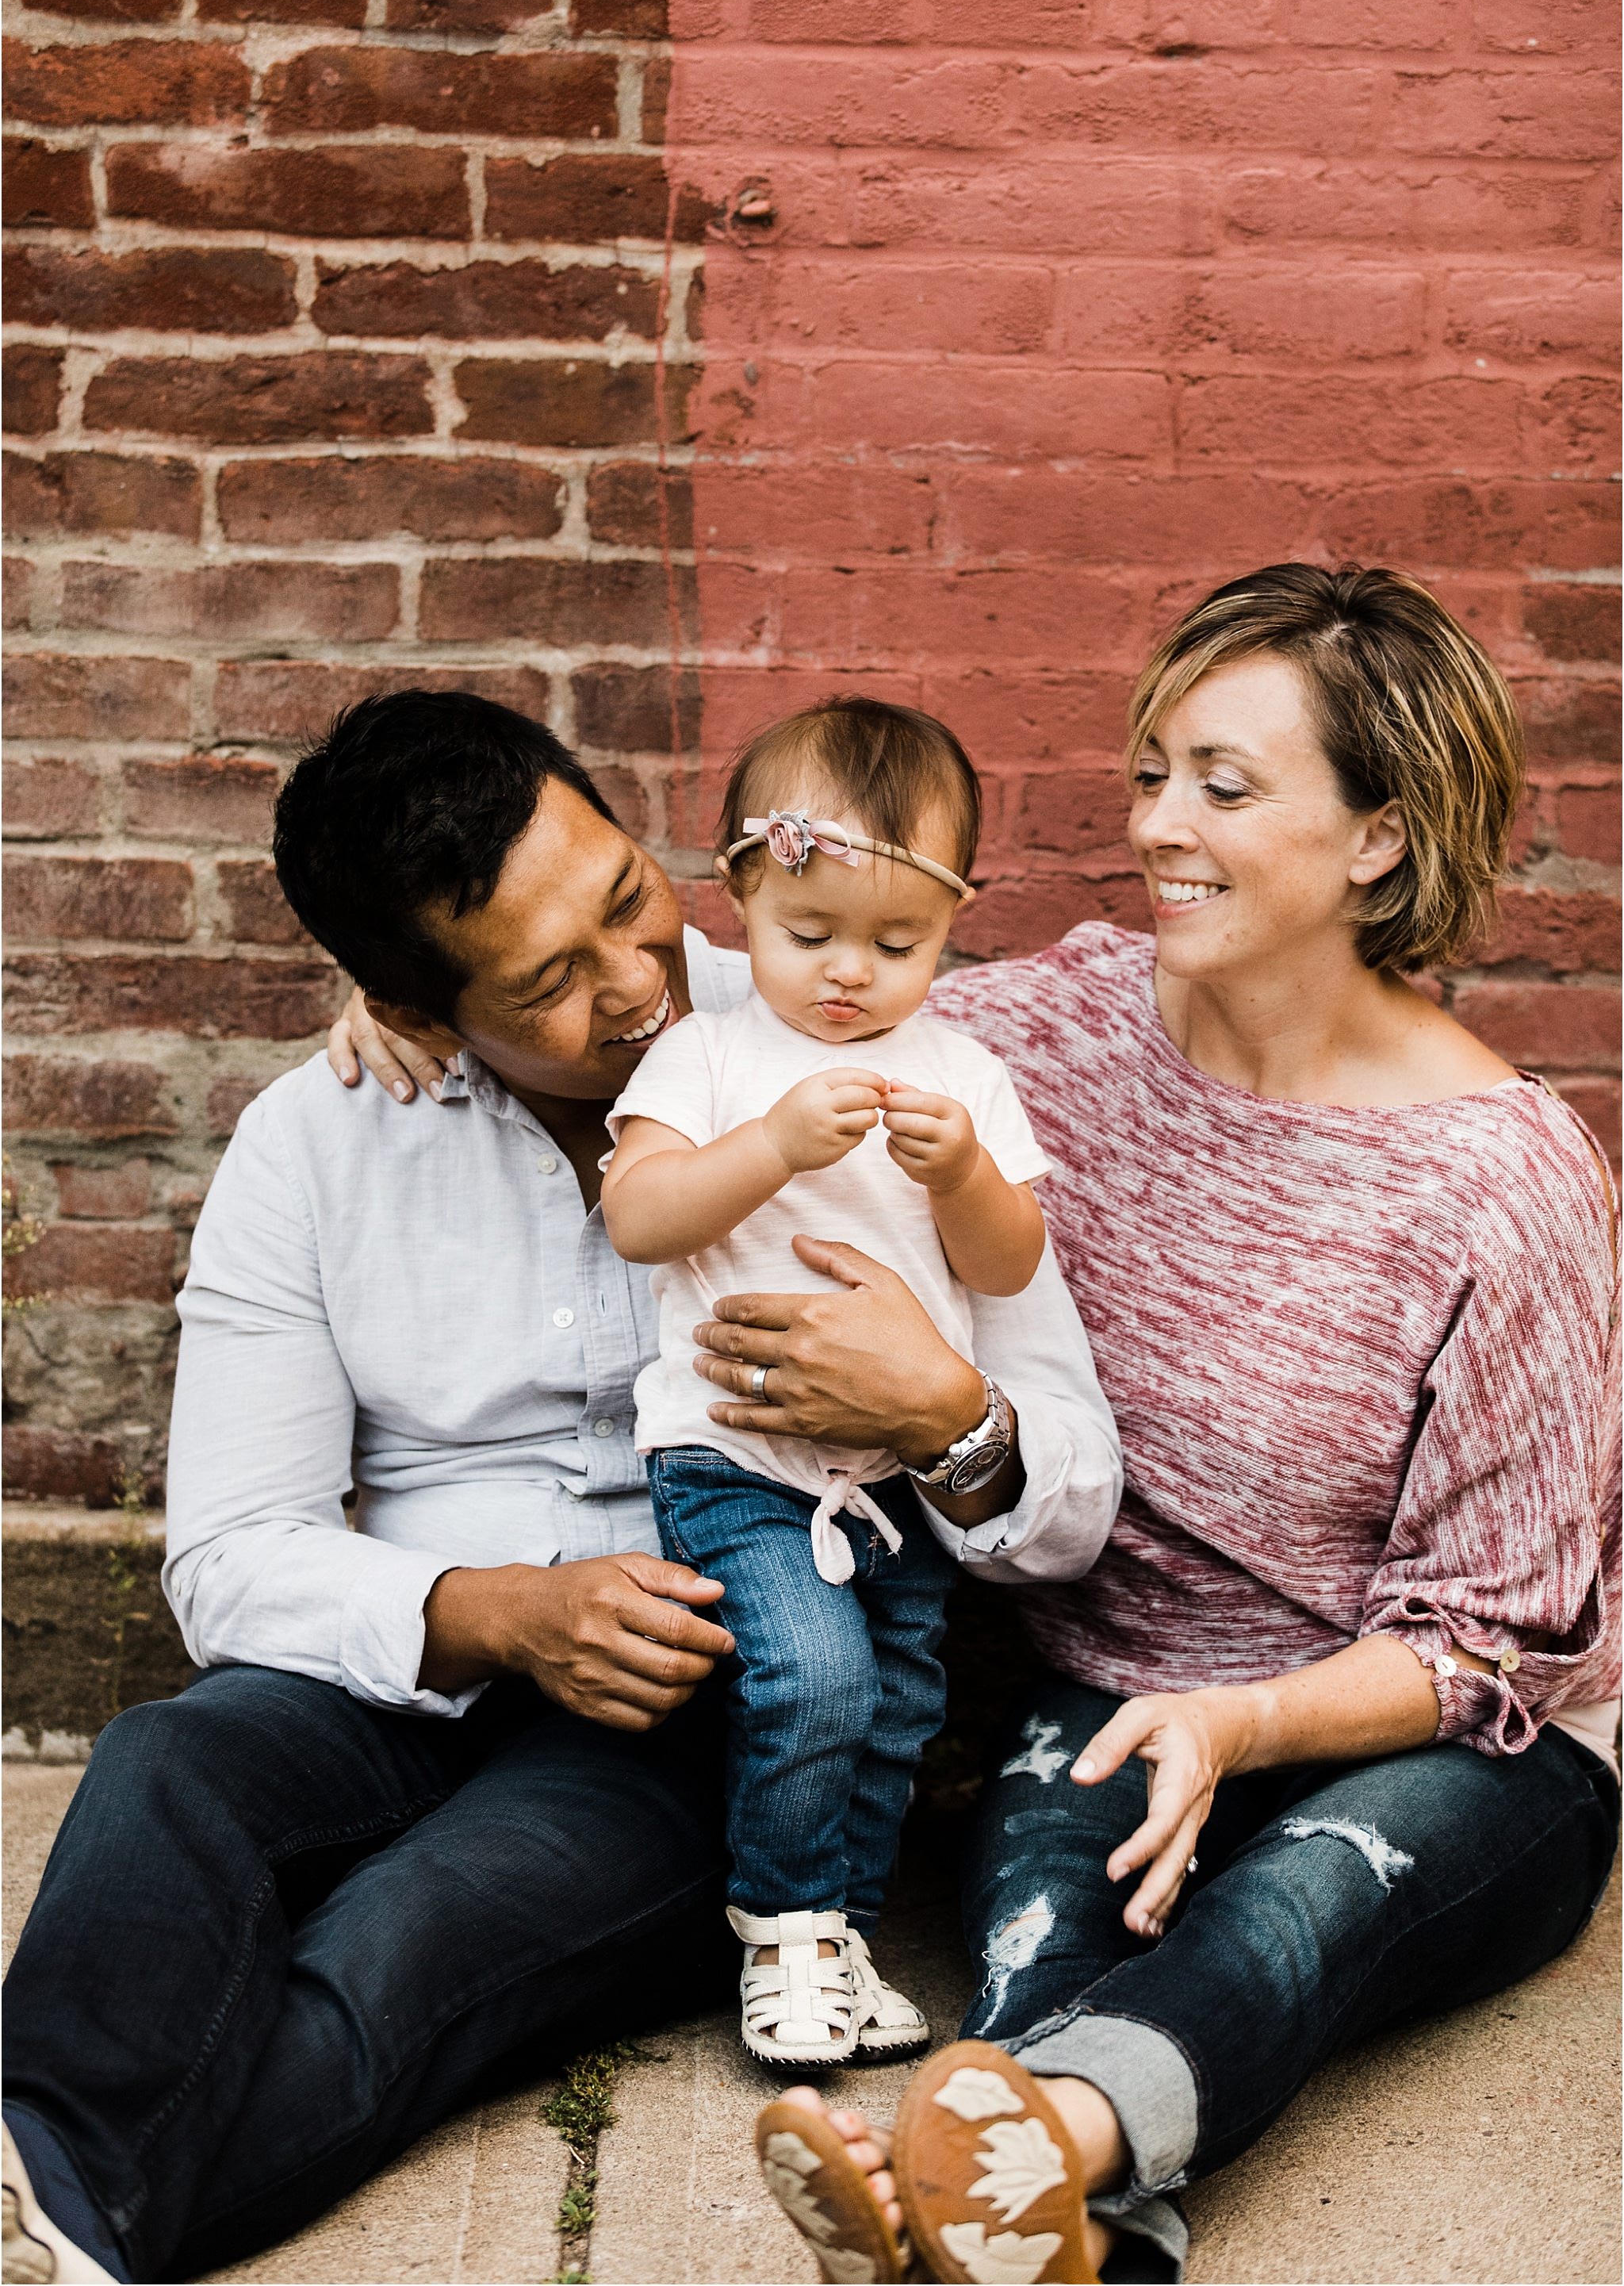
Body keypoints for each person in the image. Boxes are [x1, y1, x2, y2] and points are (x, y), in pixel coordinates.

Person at [0, 692, 1120, 2286]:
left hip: (691, 1720)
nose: (636, 981)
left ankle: (52, 2196)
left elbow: (1072, 1490)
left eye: (624, 898)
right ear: (417, 1004)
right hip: (408, 1663)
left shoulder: (853, 1035)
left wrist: (944, 1411)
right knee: (166, 1767)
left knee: (409, 1935)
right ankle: (46, 2194)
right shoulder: (315, 1142)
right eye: (550, 980)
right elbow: (231, 1558)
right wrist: (497, 1614)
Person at [733, 565, 1620, 2286]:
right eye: (1152, 773)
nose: (1156, 826)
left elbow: (1496, 1643)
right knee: (1037, 1936)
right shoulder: (1053, 1028)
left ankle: (989, 2172)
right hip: (1111, 1699)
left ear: (1379, 833)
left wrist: (1246, 1719)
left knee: (1307, 1894)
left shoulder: (1501, 1182)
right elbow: (752, 1006)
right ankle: (1062, 2233)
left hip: (1434, 1748)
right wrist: (416, 1004)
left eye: (1222, 783)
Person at [602, 697, 1111, 2069]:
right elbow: (641, 1215)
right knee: (814, 1679)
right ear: (744, 891)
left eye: (898, 946)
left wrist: (963, 1175)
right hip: (735, 1457)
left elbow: (1009, 1265)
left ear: (953, 923)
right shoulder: (708, 1057)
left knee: (895, 1712)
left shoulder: (963, 1074)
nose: (848, 977)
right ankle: (780, 1930)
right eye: (807, 935)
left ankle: (844, 1935)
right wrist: (767, 1143)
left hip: (890, 1479)